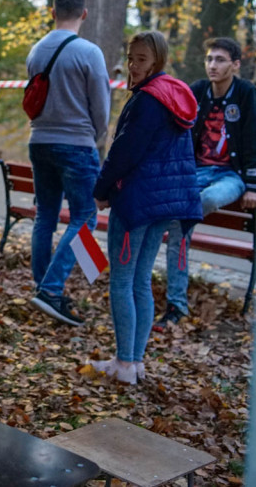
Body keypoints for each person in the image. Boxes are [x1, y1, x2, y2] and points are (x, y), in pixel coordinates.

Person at [91, 31, 201, 384]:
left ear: (157, 61)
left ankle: (124, 364)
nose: (133, 65)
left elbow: (125, 152)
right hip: (165, 203)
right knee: (140, 280)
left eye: (141, 59)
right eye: (130, 57)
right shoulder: (175, 96)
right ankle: (134, 363)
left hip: (137, 202)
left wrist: (101, 189)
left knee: (123, 282)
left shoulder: (148, 100)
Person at [156, 37, 256, 330]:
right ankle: (176, 305)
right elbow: (175, 128)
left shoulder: (246, 93)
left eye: (220, 60)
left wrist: (253, 186)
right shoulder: (198, 90)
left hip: (230, 175)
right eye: (209, 59)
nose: (212, 65)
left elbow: (253, 139)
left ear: (235, 65)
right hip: (196, 171)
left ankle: (169, 222)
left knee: (208, 200)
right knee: (180, 225)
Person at [26, 0, 111, 326]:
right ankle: (50, 290)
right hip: (76, 144)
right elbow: (100, 105)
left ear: (52, 11)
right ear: (84, 14)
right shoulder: (89, 53)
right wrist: (97, 135)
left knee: (45, 215)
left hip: (39, 141)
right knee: (85, 217)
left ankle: (43, 285)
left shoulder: (36, 51)